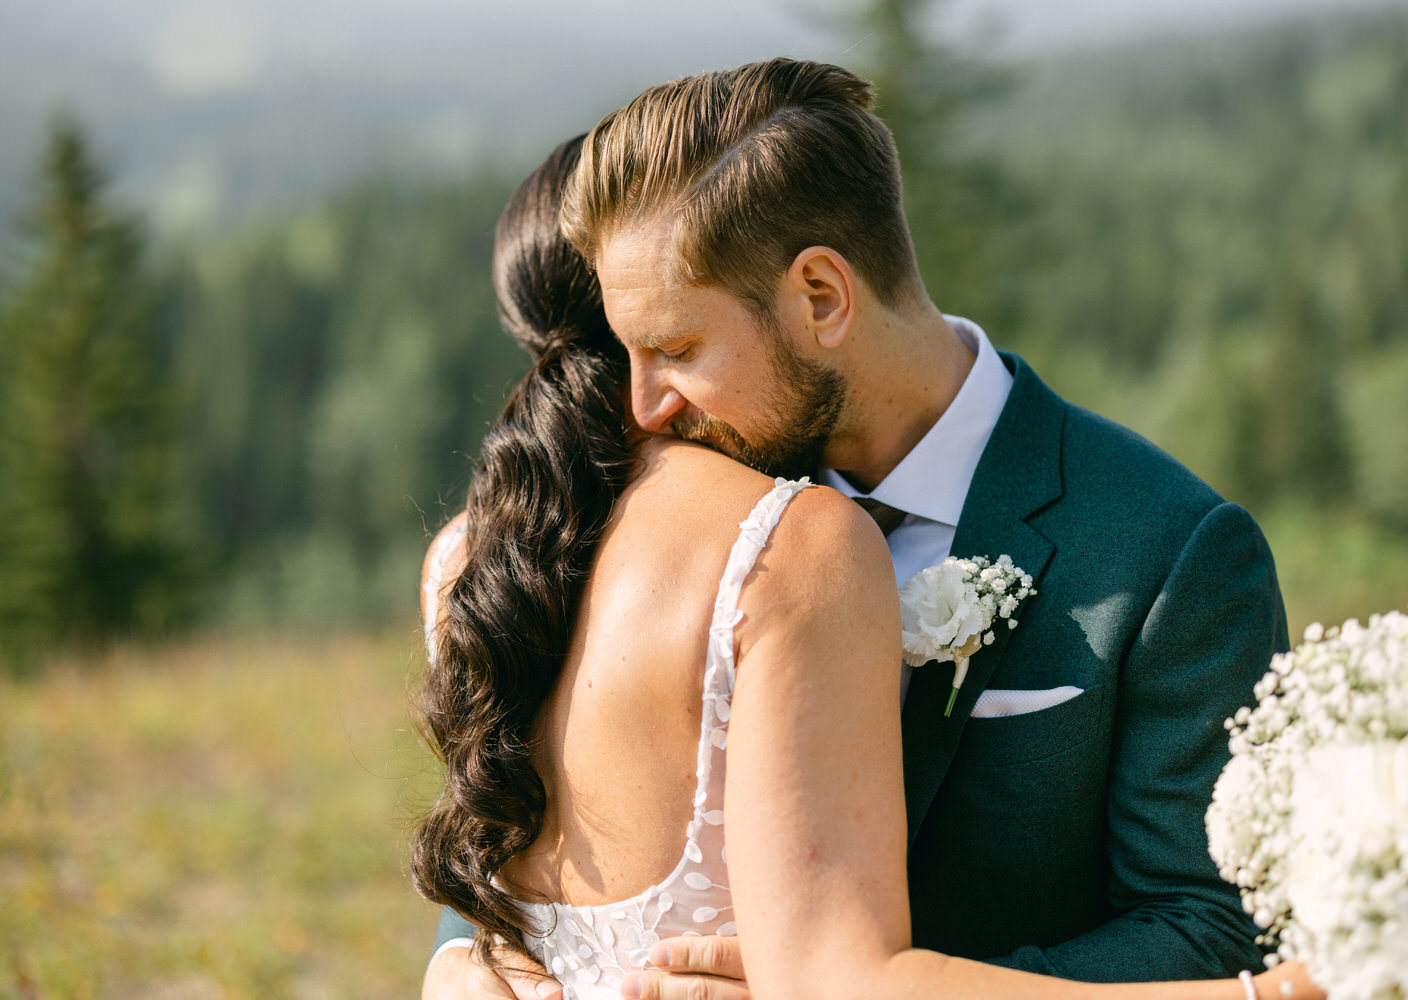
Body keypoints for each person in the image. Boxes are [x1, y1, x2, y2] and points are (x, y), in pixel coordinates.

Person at [423, 58, 1292, 1000]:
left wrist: (851, 984)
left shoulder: (1172, 552)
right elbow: (533, 786)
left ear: (822, 299)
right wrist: (462, 957)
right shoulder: (714, 518)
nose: (642, 408)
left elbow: (1212, 931)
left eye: (676, 350)